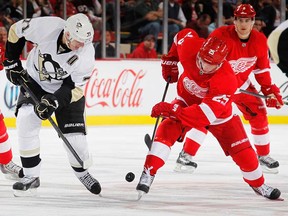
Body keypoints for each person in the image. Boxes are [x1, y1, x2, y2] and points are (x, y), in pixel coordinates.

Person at [136, 28, 281, 200]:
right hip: (187, 99)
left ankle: (259, 185)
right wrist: (171, 60)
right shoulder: (190, 46)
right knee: (167, 128)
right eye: (203, 60)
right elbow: (181, 35)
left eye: (211, 64)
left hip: (219, 115)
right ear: (201, 51)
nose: (204, 66)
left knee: (244, 153)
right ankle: (148, 172)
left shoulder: (226, 79)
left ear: (221, 63)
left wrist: (172, 109)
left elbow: (203, 117)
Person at [174, 4, 284, 174]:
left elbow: (261, 71)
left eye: (247, 20)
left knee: (259, 110)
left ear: (253, 21)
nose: (243, 25)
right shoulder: (221, 35)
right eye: (240, 20)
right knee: (208, 115)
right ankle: (185, 155)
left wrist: (269, 90)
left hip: (241, 83)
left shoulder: (260, 41)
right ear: (234, 20)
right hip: (216, 85)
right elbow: (206, 63)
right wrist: (222, 88)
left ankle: (263, 156)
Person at [3, 13, 101, 196]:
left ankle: (83, 172)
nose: (81, 45)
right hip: (35, 81)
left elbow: (75, 89)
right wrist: (12, 61)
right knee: (26, 120)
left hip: (67, 92)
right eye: (78, 41)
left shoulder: (86, 53)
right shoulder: (48, 26)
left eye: (85, 41)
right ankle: (31, 175)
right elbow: (16, 30)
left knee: (75, 141)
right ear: (68, 34)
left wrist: (53, 101)